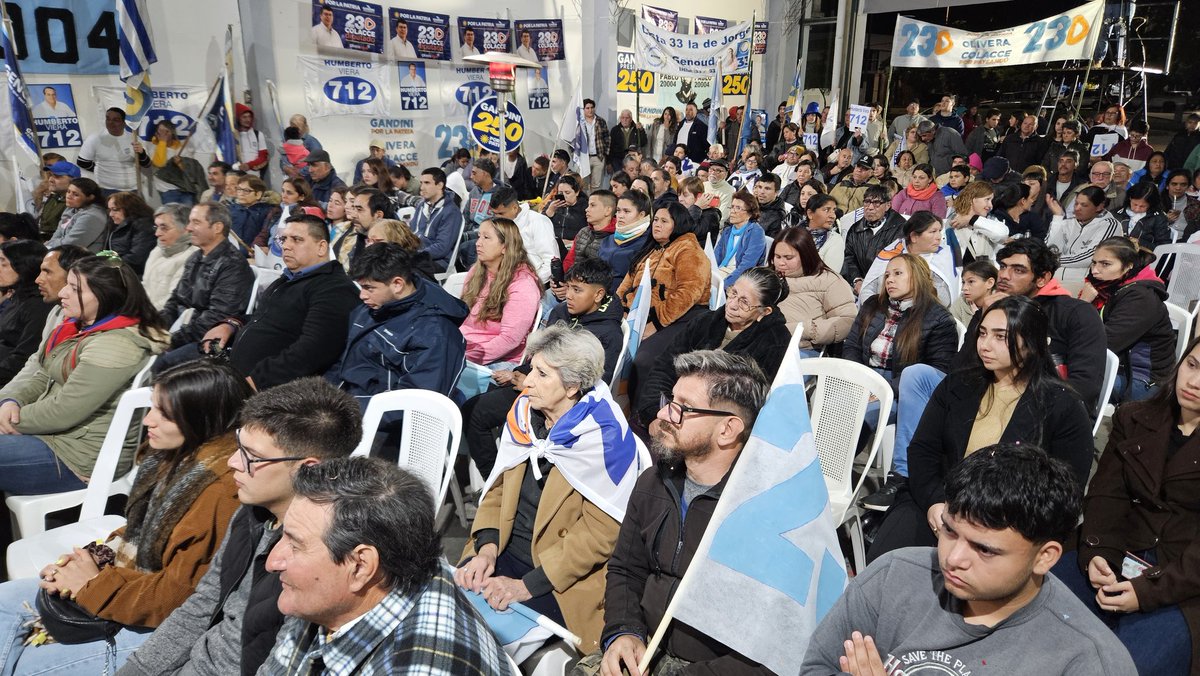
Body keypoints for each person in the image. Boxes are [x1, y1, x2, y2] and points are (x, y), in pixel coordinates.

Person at [0, 360, 249, 674]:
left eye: (164, 413)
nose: (148, 420)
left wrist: (91, 584)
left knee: (24, 665)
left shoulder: (220, 491)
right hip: (127, 589)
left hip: (162, 627)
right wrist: (84, 561)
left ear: (203, 419)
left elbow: (181, 597)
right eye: (152, 408)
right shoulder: (175, 458)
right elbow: (140, 532)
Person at [806, 443, 1138, 675]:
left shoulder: (1086, 661)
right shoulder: (893, 577)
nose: (953, 558)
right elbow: (817, 667)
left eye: (984, 549)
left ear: (1045, 557)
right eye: (949, 532)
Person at [118, 377, 362, 676]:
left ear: (308, 468)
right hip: (190, 658)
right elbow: (203, 604)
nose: (233, 462)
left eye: (253, 456)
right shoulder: (252, 511)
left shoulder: (322, 560)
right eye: (238, 446)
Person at [456, 325, 650, 655]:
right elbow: (498, 488)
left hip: (556, 576)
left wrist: (525, 586)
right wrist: (486, 548)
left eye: (542, 374)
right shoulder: (524, 414)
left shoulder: (603, 439)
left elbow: (599, 535)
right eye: (531, 368)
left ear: (572, 386)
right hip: (501, 551)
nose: (527, 380)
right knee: (448, 617)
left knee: (482, 648)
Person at [868, 293, 1096, 559]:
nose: (985, 345)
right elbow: (923, 450)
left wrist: (990, 522)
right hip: (940, 501)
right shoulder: (958, 386)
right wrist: (934, 502)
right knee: (889, 564)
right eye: (983, 333)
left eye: (1000, 337)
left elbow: (1065, 489)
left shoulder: (1061, 406)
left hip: (1008, 521)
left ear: (1032, 343)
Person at [594, 350, 773, 675]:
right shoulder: (654, 481)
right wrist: (623, 632)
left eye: (682, 408)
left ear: (728, 429)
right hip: (646, 648)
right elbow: (626, 569)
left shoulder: (765, 514)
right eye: (669, 400)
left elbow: (774, 649)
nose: (663, 414)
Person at [259, 455, 508, 674]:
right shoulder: (329, 596)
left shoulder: (421, 667)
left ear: (360, 567)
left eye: (295, 545)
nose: (272, 562)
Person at [1053, 338, 1200, 675]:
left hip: (1183, 579)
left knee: (1126, 666)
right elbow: (1107, 495)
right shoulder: (1135, 417)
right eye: (1192, 365)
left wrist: (1147, 592)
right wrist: (1098, 554)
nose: (1194, 382)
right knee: (1032, 613)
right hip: (1116, 546)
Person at [0, 253, 167, 496]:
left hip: (78, 454)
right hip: (55, 436)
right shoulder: (77, 328)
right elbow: (41, 372)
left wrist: (10, 420)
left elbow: (64, 410)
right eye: (67, 283)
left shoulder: (116, 344)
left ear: (104, 295)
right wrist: (10, 401)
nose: (64, 292)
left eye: (75, 287)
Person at [201, 215, 360, 390]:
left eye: (297, 240)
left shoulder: (334, 289)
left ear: (321, 247)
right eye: (283, 239)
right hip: (234, 372)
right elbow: (263, 318)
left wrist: (254, 381)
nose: (286, 246)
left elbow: (312, 352)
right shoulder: (291, 278)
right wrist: (229, 324)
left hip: (269, 391)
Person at [634, 267, 790, 427]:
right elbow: (664, 367)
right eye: (733, 293)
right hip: (671, 408)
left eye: (744, 302)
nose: (732, 305)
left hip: (714, 425)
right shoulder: (704, 322)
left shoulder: (775, 342)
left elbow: (750, 406)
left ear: (764, 312)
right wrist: (655, 414)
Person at [327, 241, 467, 405]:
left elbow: (415, 404)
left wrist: (340, 409)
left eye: (369, 288)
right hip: (344, 399)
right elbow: (344, 362)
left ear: (397, 284)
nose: (362, 295)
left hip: (376, 418)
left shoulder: (436, 334)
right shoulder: (376, 305)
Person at [844, 253, 958, 401]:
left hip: (903, 390)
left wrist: (887, 390)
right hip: (864, 378)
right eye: (887, 275)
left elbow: (938, 369)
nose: (890, 280)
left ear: (917, 277)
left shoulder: (939, 318)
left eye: (898, 273)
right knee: (821, 408)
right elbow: (852, 346)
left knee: (854, 418)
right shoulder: (873, 304)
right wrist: (859, 380)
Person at [157, 202, 254, 365]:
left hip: (208, 340)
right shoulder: (195, 258)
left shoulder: (233, 265)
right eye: (189, 222)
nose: (188, 228)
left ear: (217, 227)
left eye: (196, 222)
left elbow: (216, 318)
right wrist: (156, 328)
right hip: (185, 330)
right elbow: (176, 300)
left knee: (162, 363)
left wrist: (170, 341)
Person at [1080, 237, 1175, 403]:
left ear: (1129, 266)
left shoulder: (1141, 298)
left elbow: (1105, 343)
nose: (1095, 270)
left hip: (1142, 380)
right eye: (1094, 263)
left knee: (1061, 381)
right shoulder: (1107, 287)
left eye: (1105, 264)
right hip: (1115, 366)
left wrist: (1082, 305)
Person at [460, 218, 541, 369]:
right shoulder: (476, 271)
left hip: (496, 359)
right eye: (479, 236)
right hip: (463, 345)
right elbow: (461, 313)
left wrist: (463, 358)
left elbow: (509, 339)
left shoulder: (523, 285)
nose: (478, 243)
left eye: (486, 238)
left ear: (505, 246)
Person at [770, 226, 856, 352]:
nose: (781, 263)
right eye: (777, 257)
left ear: (805, 255)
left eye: (788, 258)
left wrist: (807, 329)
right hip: (760, 344)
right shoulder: (766, 277)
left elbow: (847, 320)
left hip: (802, 351)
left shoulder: (829, 281)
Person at [860, 211, 957, 306]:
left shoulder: (942, 256)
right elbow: (867, 290)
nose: (939, 237)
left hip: (923, 316)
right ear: (914, 236)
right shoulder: (891, 252)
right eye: (932, 232)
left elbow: (944, 300)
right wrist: (876, 313)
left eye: (939, 231)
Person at [1046, 185, 1124, 291]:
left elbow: (1091, 257)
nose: (1077, 208)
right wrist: (1058, 217)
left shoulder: (1110, 225)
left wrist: (1051, 260)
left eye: (1084, 205)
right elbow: (1050, 247)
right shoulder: (1068, 223)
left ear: (1099, 207)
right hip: (1053, 279)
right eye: (1076, 203)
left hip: (1085, 284)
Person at [0, 240, 50, 385]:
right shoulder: (18, 296)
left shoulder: (38, 305)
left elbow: (23, 358)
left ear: (24, 267)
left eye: (4, 264)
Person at [842, 185, 907, 293]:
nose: (870, 207)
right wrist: (857, 280)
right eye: (867, 202)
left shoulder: (901, 228)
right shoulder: (855, 229)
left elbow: (899, 262)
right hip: (860, 286)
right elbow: (849, 258)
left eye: (876, 203)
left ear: (887, 205)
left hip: (890, 286)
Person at [76, 108, 150, 194]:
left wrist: (142, 153)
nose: (110, 123)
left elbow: (147, 164)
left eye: (116, 120)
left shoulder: (135, 139)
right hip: (105, 189)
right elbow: (82, 162)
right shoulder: (95, 138)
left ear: (124, 123)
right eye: (108, 119)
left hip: (132, 190)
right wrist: (101, 171)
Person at [597, 189, 653, 293]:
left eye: (626, 211)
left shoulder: (648, 244)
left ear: (641, 215)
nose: (620, 215)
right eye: (618, 210)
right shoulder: (608, 240)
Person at [142, 203, 196, 310]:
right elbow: (144, 286)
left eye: (164, 228)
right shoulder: (157, 250)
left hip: (162, 319)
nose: (157, 233)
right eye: (156, 227)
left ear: (186, 229)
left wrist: (141, 313)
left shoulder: (193, 257)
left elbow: (172, 302)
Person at [409, 167, 464, 272]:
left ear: (440, 185)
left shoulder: (451, 211)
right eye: (421, 183)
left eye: (427, 183)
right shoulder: (421, 205)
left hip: (438, 261)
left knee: (401, 270)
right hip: (417, 256)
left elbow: (442, 247)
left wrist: (416, 255)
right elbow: (411, 234)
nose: (422, 187)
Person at [713, 190, 765, 288]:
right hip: (721, 271)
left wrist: (723, 284)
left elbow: (747, 266)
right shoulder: (728, 231)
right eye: (732, 207)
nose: (733, 211)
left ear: (750, 213)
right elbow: (717, 256)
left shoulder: (756, 232)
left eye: (738, 208)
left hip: (741, 277)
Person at [946, 181, 1009, 263]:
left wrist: (971, 219)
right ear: (972, 199)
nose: (991, 205)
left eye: (991, 200)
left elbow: (1002, 234)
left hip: (985, 273)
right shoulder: (950, 222)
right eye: (987, 199)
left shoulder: (990, 221)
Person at [103, 191, 156, 275]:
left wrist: (107, 266)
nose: (110, 214)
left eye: (115, 209)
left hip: (134, 275)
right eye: (110, 210)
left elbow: (136, 258)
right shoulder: (113, 224)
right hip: (118, 272)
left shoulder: (144, 225)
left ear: (130, 208)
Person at [563, 189, 616, 272]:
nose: (586, 209)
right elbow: (569, 261)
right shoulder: (583, 232)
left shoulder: (616, 238)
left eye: (593, 205)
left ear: (608, 210)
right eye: (588, 205)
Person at [47, 177, 107, 251]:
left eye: (75, 195)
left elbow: (71, 244)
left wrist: (50, 245)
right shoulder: (70, 209)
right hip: (63, 253)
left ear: (90, 197)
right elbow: (57, 235)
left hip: (83, 259)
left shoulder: (93, 217)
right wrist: (48, 245)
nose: (69, 196)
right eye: (68, 192)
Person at [1117, 181, 1172, 251]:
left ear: (1151, 204)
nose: (1137, 209)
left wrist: (1140, 243)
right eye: (1135, 204)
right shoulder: (1118, 213)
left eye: (1142, 206)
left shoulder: (1159, 218)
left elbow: (1164, 246)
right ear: (1130, 198)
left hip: (1143, 256)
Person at [542, 174, 588, 256]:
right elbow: (541, 226)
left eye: (567, 192)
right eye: (560, 193)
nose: (564, 196)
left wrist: (573, 242)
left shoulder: (585, 207)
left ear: (576, 192)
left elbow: (589, 231)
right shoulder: (551, 205)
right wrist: (549, 212)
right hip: (553, 246)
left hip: (575, 248)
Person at [801, 193, 845, 274]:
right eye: (826, 210)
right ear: (810, 214)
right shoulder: (795, 234)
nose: (833, 216)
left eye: (834, 210)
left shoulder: (835, 240)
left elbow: (830, 276)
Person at [33, 161, 77, 239]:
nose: (50, 180)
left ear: (73, 181)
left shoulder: (76, 204)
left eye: (57, 176)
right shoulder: (53, 197)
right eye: (51, 175)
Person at [951, 258, 998, 326]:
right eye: (963, 282)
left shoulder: (1002, 306)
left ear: (990, 283)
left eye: (971, 281)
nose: (964, 288)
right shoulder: (960, 304)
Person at [232, 104, 269, 178]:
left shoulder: (258, 134)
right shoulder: (233, 136)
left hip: (254, 177)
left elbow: (263, 156)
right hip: (236, 176)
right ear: (238, 118)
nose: (248, 120)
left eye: (249, 117)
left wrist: (248, 165)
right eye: (244, 117)